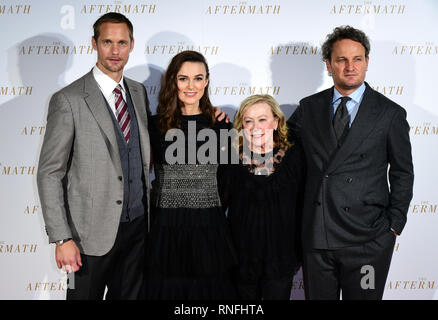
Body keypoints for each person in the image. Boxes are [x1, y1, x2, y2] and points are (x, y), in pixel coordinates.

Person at [287, 25, 414, 300]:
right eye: (341, 60)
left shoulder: (390, 113)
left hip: (368, 240)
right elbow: (278, 149)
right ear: (328, 65)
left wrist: (393, 226)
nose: (350, 66)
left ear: (367, 62)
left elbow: (403, 173)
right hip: (318, 237)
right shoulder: (308, 108)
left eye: (357, 59)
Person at [37, 12, 151, 300]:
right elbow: (50, 173)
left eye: (122, 43)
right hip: (87, 238)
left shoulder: (137, 92)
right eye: (107, 42)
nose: (115, 51)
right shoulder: (69, 99)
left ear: (132, 45)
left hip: (137, 229)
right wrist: (62, 237)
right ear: (94, 43)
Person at [145, 50, 237, 299]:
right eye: (183, 78)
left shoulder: (221, 126)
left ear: (206, 81)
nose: (191, 85)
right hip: (166, 228)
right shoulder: (154, 126)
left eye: (198, 78)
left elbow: (229, 181)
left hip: (209, 228)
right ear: (173, 81)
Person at [218, 94, 304, 300]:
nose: (255, 127)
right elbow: (218, 206)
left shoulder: (295, 155)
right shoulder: (231, 159)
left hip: (281, 258)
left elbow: (304, 203)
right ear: (242, 126)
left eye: (262, 119)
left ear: (276, 122)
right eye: (249, 121)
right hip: (241, 260)